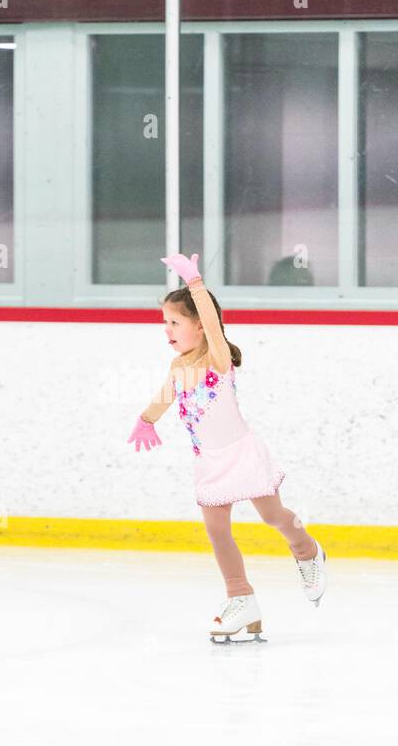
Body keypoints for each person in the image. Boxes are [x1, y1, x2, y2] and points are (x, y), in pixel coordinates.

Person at [127, 251, 328, 644]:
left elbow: (215, 328)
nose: (166, 330)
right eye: (163, 322)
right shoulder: (177, 367)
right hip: (210, 462)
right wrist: (146, 419)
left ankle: (306, 550)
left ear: (201, 326)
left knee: (274, 518)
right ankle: (241, 598)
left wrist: (196, 284)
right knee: (218, 531)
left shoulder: (217, 359)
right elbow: (165, 396)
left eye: (174, 322)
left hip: (241, 454)